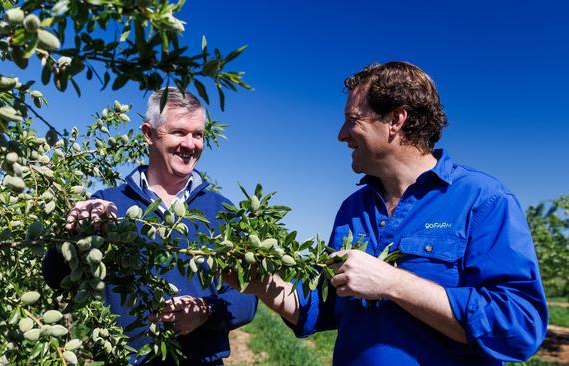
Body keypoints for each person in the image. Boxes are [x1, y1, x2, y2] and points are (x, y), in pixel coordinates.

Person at [227, 62, 547, 365]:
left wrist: (392, 283)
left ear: (395, 121)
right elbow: (324, 309)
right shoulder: (354, 209)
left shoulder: (483, 201)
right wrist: (260, 282)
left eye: (353, 119)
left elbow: (519, 326)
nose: (341, 134)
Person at [43, 88, 257, 365]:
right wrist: (76, 231)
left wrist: (205, 310)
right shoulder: (108, 204)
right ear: (148, 133)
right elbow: (55, 278)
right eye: (179, 132)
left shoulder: (222, 212)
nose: (191, 144)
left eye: (198, 134)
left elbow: (248, 298)